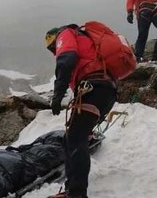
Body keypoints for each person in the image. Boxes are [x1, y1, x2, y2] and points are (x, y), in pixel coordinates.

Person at [45, 26, 118, 198]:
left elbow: (66, 59)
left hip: (94, 88)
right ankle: (72, 190)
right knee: (73, 137)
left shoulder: (65, 34)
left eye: (52, 48)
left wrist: (58, 94)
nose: (54, 52)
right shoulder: (84, 39)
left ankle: (76, 194)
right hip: (106, 90)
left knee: (75, 139)